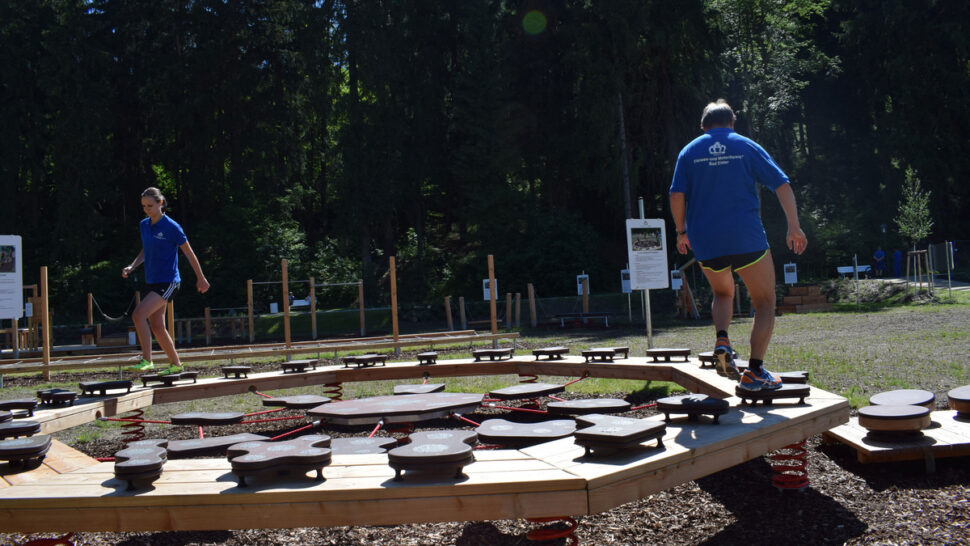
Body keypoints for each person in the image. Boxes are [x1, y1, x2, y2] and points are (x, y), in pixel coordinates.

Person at [669, 99, 807, 391]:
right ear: (732, 122)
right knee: (765, 301)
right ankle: (754, 372)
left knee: (722, 292)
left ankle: (722, 339)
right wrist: (793, 226)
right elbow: (781, 184)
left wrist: (682, 231)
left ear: (703, 126)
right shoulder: (745, 145)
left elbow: (676, 195)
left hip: (706, 241)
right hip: (745, 238)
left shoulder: (689, 152)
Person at [122, 187, 209, 375]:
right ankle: (176, 365)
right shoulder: (144, 225)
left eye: (150, 206)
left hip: (169, 282)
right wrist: (132, 265)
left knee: (138, 315)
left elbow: (188, 252)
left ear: (160, 203)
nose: (147, 209)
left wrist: (201, 277)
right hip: (152, 281)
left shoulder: (172, 227)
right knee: (157, 326)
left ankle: (147, 360)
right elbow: (146, 250)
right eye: (144, 206)